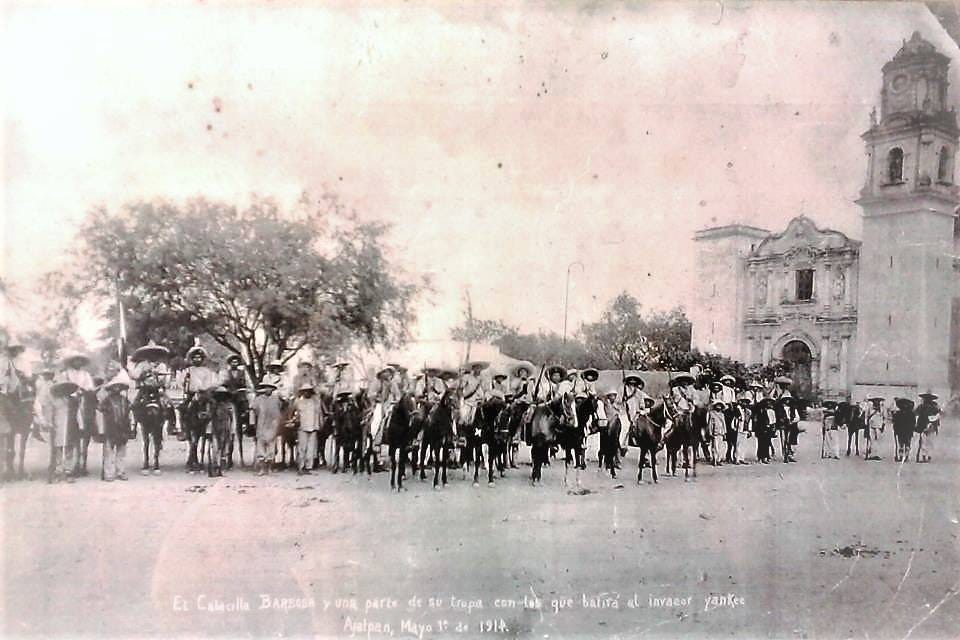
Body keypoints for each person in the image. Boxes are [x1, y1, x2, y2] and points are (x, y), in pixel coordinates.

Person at [55, 353, 95, 477]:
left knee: (92, 417)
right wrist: (71, 393)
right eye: (75, 360)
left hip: (83, 400)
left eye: (79, 360)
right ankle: (69, 466)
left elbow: (90, 387)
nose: (77, 362)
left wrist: (84, 390)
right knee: (70, 435)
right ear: (72, 362)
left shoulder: (86, 374)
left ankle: (82, 463)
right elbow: (60, 388)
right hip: (69, 402)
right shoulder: (65, 374)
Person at [100, 373, 134, 482]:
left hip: (123, 427)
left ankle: (120, 471)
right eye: (115, 386)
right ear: (111, 388)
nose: (117, 388)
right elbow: (101, 414)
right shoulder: (106, 401)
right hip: (110, 428)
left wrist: (130, 425)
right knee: (109, 451)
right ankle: (108, 473)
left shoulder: (125, 400)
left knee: (121, 451)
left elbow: (129, 413)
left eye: (119, 386)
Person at [250, 382, 282, 475]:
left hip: (272, 426)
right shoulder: (258, 400)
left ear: (272, 389)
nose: (268, 389)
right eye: (266, 387)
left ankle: (269, 468)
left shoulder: (276, 400)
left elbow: (278, 411)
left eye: (270, 388)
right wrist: (252, 423)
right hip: (261, 426)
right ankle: (262, 469)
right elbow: (253, 411)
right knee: (261, 448)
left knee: (271, 449)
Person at [292, 384, 322, 474]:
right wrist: (294, 420)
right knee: (302, 448)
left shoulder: (315, 402)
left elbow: (318, 414)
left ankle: (308, 467)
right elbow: (293, 412)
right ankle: (301, 466)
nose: (306, 392)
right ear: (302, 392)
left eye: (308, 391)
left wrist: (319, 425)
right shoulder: (298, 402)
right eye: (305, 391)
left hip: (313, 427)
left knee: (311, 449)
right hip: (302, 427)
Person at [915, 393, 940, 463]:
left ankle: (924, 456)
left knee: (924, 442)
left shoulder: (921, 407)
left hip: (923, 426)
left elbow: (915, 413)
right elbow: (937, 418)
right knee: (929, 442)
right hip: (932, 427)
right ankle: (928, 456)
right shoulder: (935, 407)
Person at [892, 398, 916, 462]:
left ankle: (902, 456)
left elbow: (895, 423)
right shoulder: (911, 413)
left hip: (901, 431)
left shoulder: (898, 413)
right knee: (906, 444)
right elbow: (913, 423)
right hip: (907, 431)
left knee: (902, 444)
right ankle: (905, 456)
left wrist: (895, 430)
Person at [707, 401, 726, 466]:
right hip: (715, 432)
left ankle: (718, 460)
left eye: (720, 406)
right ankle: (714, 459)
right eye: (717, 406)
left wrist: (724, 433)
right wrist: (710, 432)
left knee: (721, 447)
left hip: (721, 432)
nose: (719, 407)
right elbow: (710, 424)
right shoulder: (712, 414)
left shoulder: (722, 414)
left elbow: (724, 424)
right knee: (715, 447)